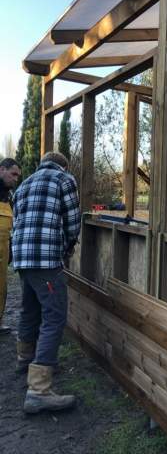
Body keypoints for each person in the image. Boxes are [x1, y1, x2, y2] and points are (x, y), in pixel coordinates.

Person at [12, 151, 81, 414]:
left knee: (29, 310)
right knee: (54, 316)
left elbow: (19, 219)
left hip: (22, 259)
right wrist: (66, 247)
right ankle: (39, 390)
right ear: (63, 164)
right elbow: (73, 222)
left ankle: (25, 359)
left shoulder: (25, 183)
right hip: (45, 260)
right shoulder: (63, 179)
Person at [0, 158, 21, 334]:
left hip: (3, 252)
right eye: (13, 174)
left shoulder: (10, 197)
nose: (15, 179)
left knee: (2, 288)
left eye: (17, 176)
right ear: (1, 170)